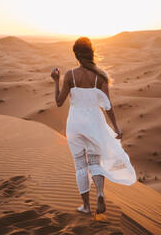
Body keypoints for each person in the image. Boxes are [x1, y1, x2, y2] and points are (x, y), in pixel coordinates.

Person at [50, 37, 136, 216]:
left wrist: (56, 80)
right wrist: (117, 128)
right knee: (95, 161)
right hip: (94, 122)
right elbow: (108, 106)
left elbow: (59, 102)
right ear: (92, 52)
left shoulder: (70, 75)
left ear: (76, 55)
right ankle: (101, 193)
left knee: (81, 164)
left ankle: (86, 206)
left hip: (75, 123)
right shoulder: (101, 77)